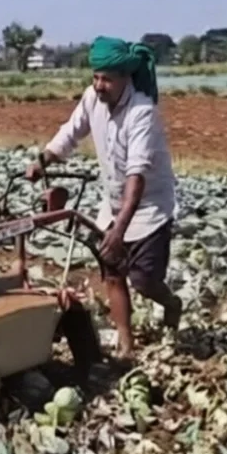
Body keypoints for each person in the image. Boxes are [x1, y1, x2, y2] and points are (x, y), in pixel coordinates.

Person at [26, 36, 183, 362]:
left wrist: (119, 230)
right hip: (112, 202)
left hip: (149, 206)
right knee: (112, 272)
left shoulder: (142, 112)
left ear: (125, 77)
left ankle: (171, 303)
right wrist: (43, 161)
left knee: (144, 280)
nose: (99, 85)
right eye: (96, 77)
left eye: (107, 79)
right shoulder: (92, 99)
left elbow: (137, 176)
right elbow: (71, 132)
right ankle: (125, 344)